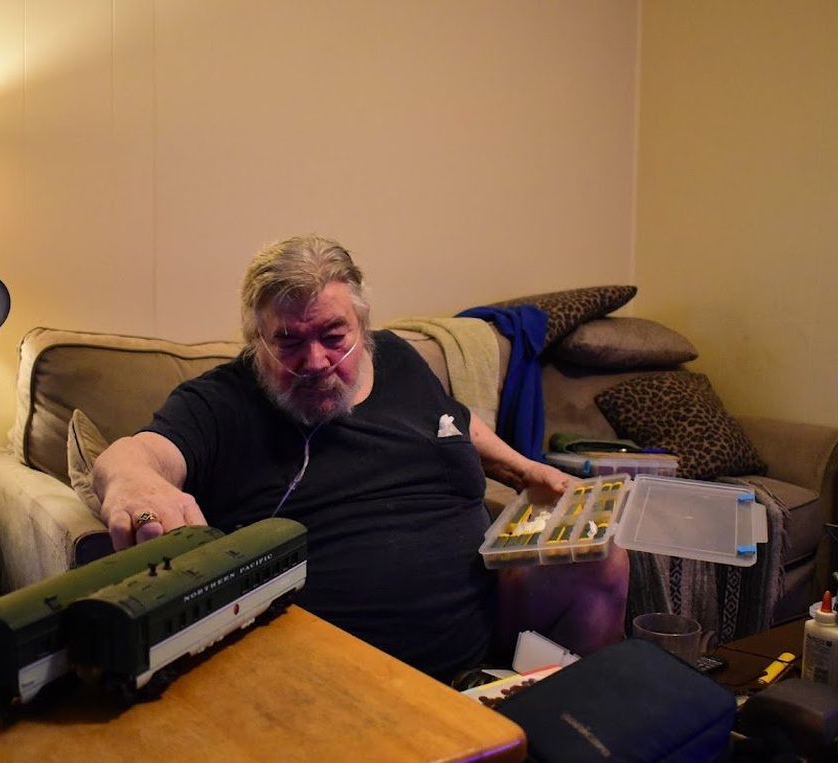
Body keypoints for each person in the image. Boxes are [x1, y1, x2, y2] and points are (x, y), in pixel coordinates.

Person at [92, 234, 628, 681]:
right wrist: (134, 484)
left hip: (485, 622)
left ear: (363, 326)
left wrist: (526, 470)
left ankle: (580, 736)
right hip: (339, 677)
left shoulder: (395, 357)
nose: (316, 361)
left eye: (333, 335)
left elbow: (456, 421)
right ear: (256, 338)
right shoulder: (219, 402)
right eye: (289, 341)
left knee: (601, 557)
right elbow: (138, 454)